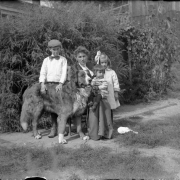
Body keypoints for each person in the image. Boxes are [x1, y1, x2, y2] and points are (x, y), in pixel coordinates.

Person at [39, 39, 68, 138]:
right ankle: (53, 128)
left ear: (60, 49)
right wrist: (42, 84)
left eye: (57, 49)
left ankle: (62, 129)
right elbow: (43, 72)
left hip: (59, 85)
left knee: (60, 107)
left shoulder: (63, 59)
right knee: (52, 107)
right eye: (53, 49)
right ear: (50, 49)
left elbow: (64, 72)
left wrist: (60, 83)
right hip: (49, 85)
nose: (55, 51)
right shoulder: (46, 60)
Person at [95, 51, 120, 120]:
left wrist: (116, 92)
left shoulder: (111, 72)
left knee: (110, 109)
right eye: (102, 62)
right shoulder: (98, 73)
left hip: (110, 94)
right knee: (102, 110)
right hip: (101, 95)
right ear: (99, 63)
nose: (104, 64)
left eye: (105, 62)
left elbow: (116, 82)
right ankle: (103, 125)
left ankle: (110, 124)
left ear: (108, 62)